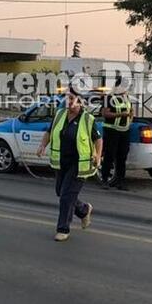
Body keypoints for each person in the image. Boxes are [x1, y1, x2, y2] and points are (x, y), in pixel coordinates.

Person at [37, 86, 102, 242]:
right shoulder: (59, 115)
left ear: (79, 101)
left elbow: (98, 139)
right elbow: (49, 131)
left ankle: (63, 229)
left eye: (71, 98)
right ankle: (84, 210)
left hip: (79, 164)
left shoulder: (87, 119)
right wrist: (42, 145)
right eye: (67, 98)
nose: (68, 101)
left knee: (66, 196)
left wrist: (98, 155)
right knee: (61, 191)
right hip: (61, 162)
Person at [101, 81, 133, 190]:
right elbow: (105, 113)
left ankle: (120, 181)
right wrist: (120, 114)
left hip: (124, 131)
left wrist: (130, 120)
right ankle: (105, 179)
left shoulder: (126, 98)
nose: (125, 89)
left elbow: (130, 111)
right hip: (111, 130)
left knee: (122, 156)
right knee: (109, 155)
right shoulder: (109, 98)